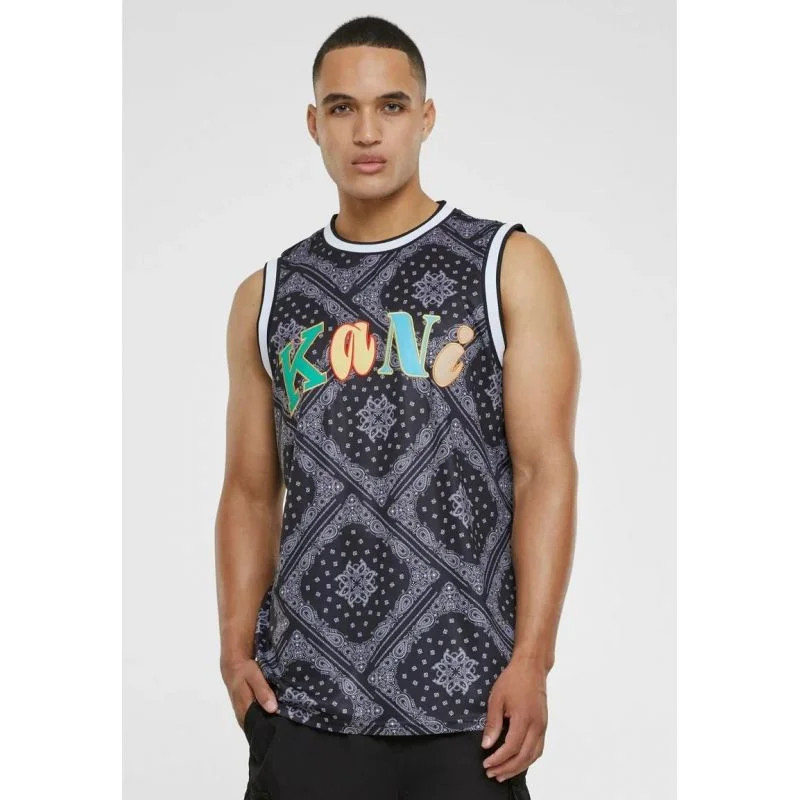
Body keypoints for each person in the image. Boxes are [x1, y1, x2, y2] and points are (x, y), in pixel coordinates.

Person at [215, 14, 580, 800]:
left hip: (468, 700)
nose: (366, 131)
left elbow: (544, 471)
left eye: (391, 105)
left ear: (426, 116)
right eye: (342, 108)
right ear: (313, 123)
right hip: (304, 703)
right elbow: (249, 490)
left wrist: (533, 661)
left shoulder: (505, 264)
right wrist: (235, 650)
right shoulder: (269, 292)